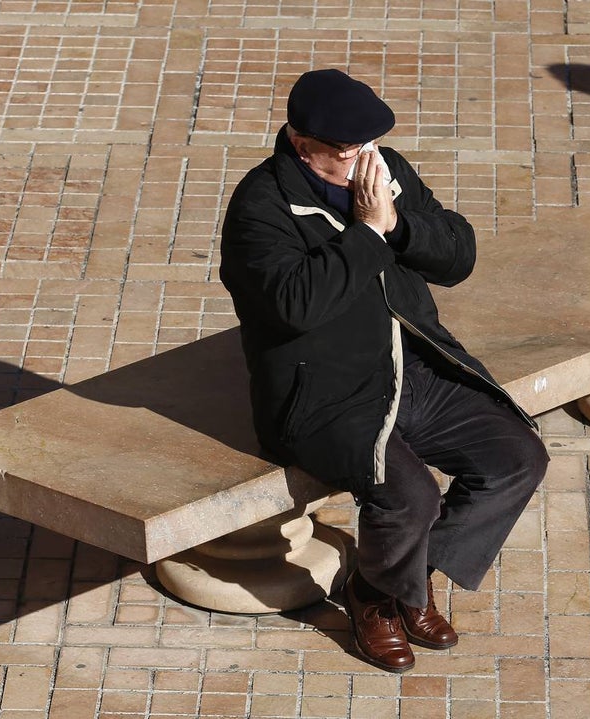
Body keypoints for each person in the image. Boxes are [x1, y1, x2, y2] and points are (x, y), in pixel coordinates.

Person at [218, 69, 549, 673]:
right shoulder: (260, 207)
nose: (364, 159)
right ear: (303, 144)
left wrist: (398, 223)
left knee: (516, 458)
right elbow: (296, 306)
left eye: (370, 144)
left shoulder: (383, 170)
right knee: (409, 497)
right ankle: (381, 600)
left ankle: (392, 586)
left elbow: (458, 256)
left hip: (414, 364)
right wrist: (369, 232)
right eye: (349, 150)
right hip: (323, 394)